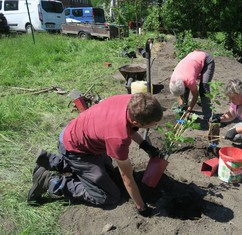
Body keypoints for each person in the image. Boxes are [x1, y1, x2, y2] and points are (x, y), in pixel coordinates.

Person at [27, 93, 163, 217]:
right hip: (75, 149)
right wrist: (141, 207)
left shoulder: (132, 101)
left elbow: (128, 126)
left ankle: (51, 161)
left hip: (79, 134)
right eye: (154, 124)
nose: (156, 125)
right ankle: (50, 181)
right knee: (109, 196)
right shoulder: (118, 138)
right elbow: (127, 177)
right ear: (136, 122)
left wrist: (145, 146)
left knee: (109, 174)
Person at [169, 50, 215, 120]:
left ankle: (208, 116)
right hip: (192, 60)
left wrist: (189, 109)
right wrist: (181, 103)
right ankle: (183, 107)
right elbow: (177, 92)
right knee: (184, 90)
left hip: (206, 61)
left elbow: (195, 96)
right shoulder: (173, 79)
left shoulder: (190, 80)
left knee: (203, 89)